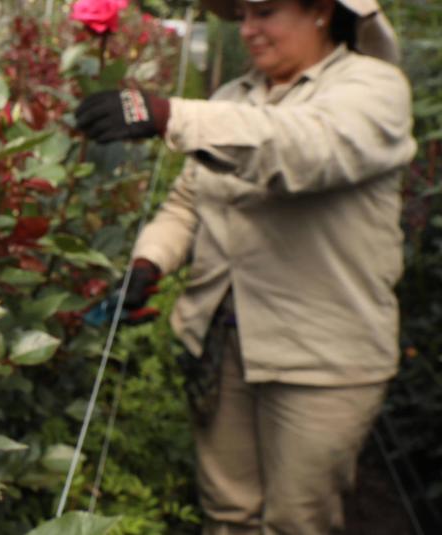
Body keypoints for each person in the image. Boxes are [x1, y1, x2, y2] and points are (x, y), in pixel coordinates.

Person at [73, 0, 415, 534]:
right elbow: (188, 201)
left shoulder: (372, 88)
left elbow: (305, 149)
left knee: (297, 520)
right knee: (228, 512)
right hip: (224, 342)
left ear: (321, 11)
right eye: (243, 17)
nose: (248, 30)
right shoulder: (234, 97)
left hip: (322, 359)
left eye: (264, 12)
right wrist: (149, 262)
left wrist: (168, 115)